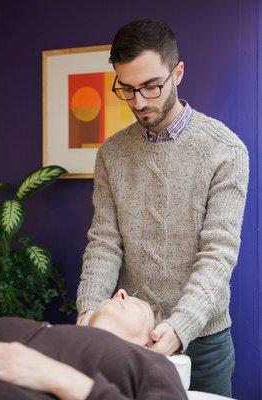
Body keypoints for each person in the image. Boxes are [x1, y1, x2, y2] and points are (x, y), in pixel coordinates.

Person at [76, 19, 249, 397]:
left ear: (178, 72)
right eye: (127, 89)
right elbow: (104, 242)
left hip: (203, 341)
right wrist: (89, 315)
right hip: (125, 341)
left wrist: (180, 326)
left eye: (151, 86)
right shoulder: (112, 153)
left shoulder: (225, 150)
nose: (139, 102)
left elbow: (218, 253)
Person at [0, 289, 187, 400]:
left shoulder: (150, 362)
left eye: (137, 303)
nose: (120, 292)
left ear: (147, 344)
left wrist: (57, 377)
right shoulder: (24, 326)